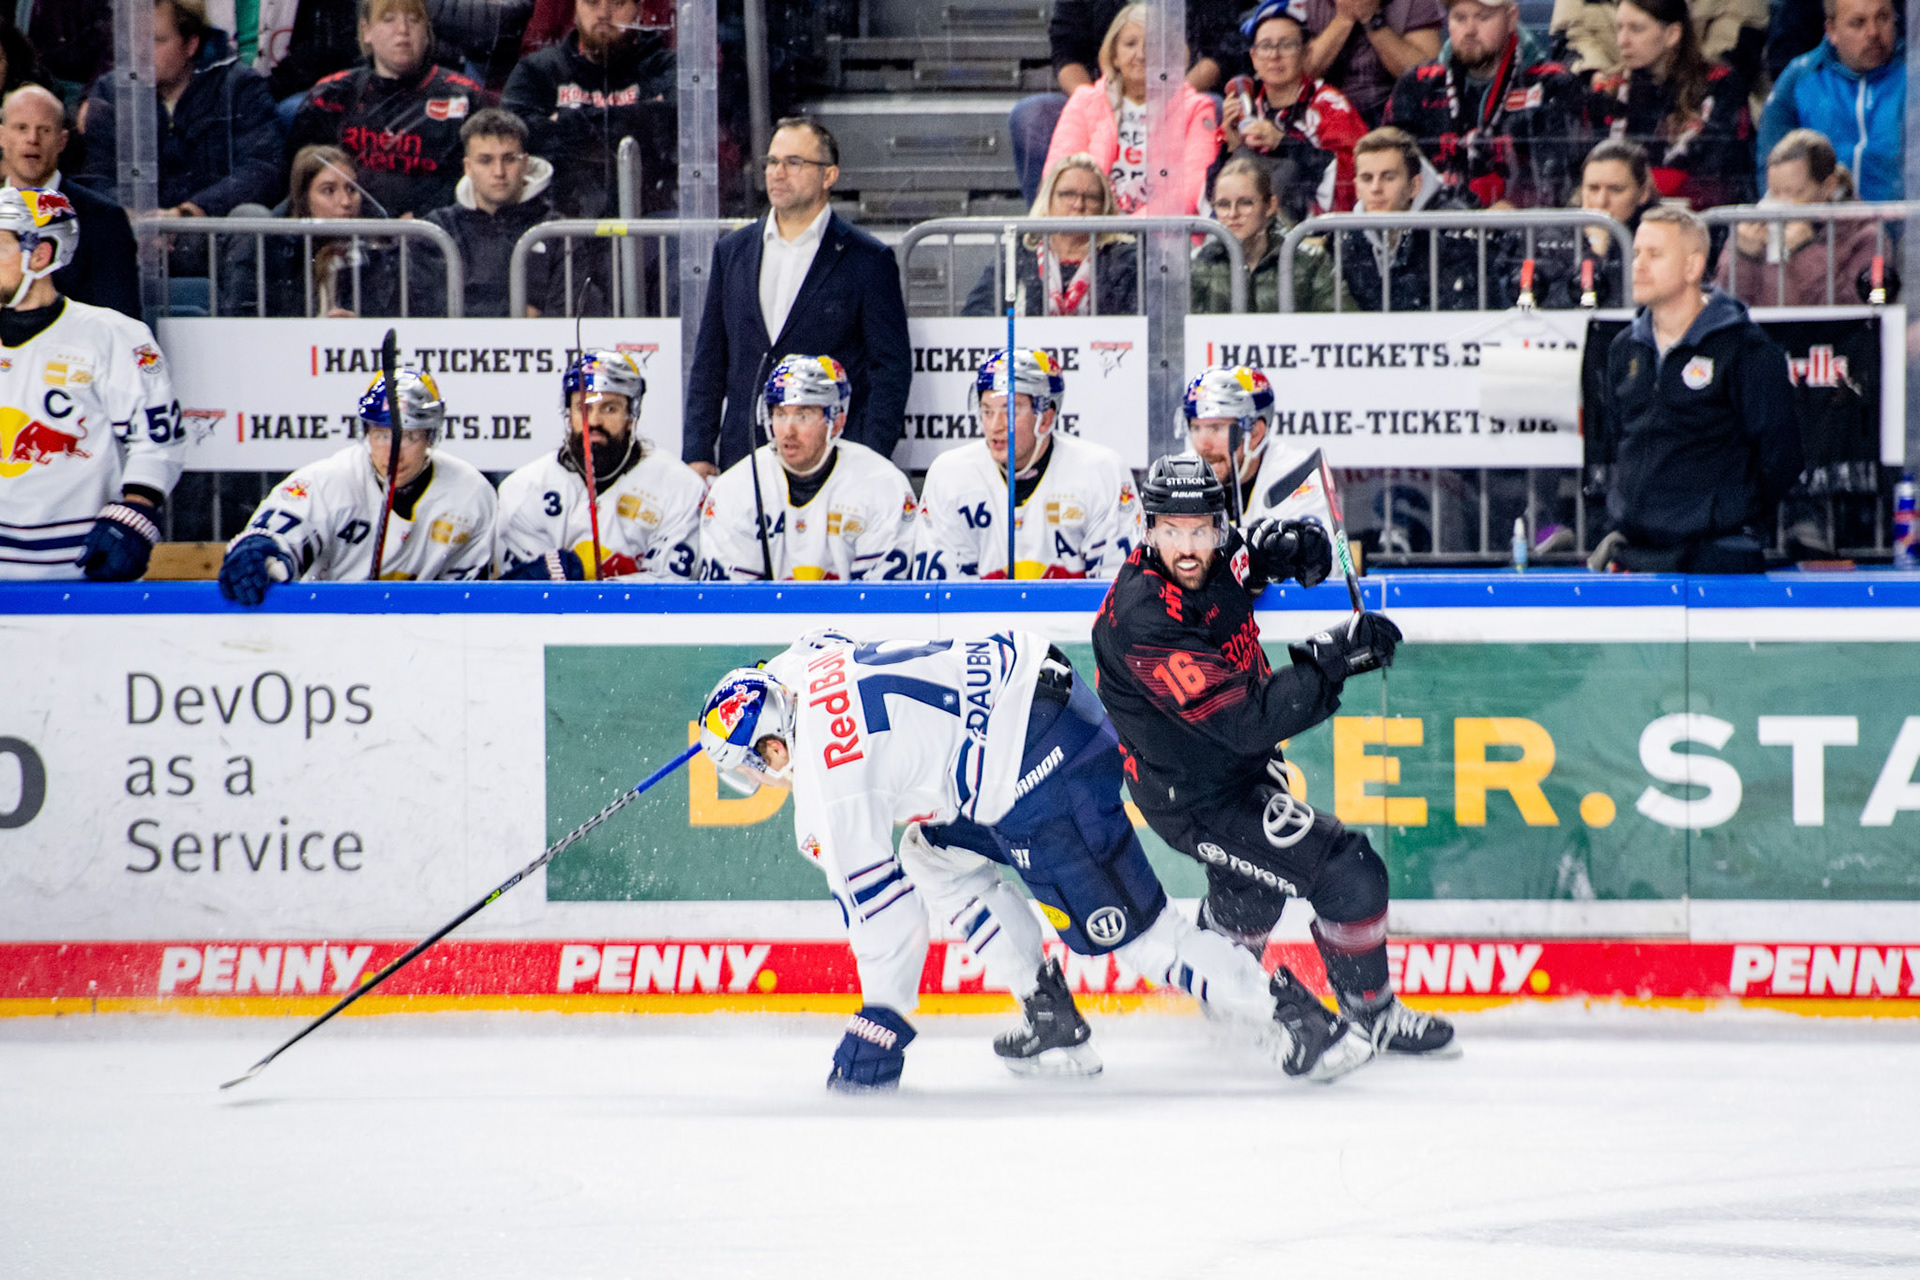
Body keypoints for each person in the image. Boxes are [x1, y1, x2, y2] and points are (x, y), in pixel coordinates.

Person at [696, 632, 1373, 1090]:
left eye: (756, 766)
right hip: (1045, 690)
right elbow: (779, 670)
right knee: (931, 853)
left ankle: (1302, 1021)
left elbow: (886, 920)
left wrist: (885, 1021)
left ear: (776, 751)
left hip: (1037, 769)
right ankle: (1050, 1016)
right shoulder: (803, 662)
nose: (765, 777)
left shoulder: (825, 791)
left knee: (1138, 938)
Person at [1091, 453, 1457, 1059]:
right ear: (1148, 530)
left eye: (1202, 530)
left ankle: (1224, 1008)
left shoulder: (1216, 556)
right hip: (1197, 798)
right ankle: (1376, 1015)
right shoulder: (1143, 618)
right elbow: (1246, 719)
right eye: (1172, 532)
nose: (1188, 547)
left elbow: (1247, 563)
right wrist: (1332, 657)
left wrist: (1293, 550)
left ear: (1218, 524)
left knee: (1251, 894)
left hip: (1231, 772)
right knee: (1349, 872)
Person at [682, 119, 912, 475]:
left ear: (828, 176)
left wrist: (869, 457)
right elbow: (710, 361)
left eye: (793, 162)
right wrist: (698, 450)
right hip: (745, 459)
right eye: (772, 162)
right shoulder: (732, 252)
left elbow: (890, 371)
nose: (777, 173)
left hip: (834, 463)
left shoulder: (868, 260)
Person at [1591, 207, 1801, 574]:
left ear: (1692, 267)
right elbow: (1618, 439)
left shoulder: (1746, 349)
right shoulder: (1624, 349)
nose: (1638, 265)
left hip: (1719, 554)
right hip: (1639, 552)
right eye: (1636, 253)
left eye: (1654, 255)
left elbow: (1781, 453)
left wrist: (1730, 512)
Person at [0, 188, 181, 581]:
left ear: (42, 255)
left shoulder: (114, 337)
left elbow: (157, 438)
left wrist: (136, 511)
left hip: (78, 568)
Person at [217, 367, 495, 601]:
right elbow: (275, 534)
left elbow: (467, 601)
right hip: (322, 629)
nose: (393, 451)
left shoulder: (471, 494)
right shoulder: (328, 481)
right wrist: (257, 548)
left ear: (430, 438)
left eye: (409, 437)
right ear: (367, 433)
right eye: (381, 435)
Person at [914, 349, 1142, 581]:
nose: (995, 426)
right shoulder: (950, 476)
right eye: (987, 411)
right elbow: (941, 597)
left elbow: (1118, 589)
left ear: (1045, 419)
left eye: (1010, 411)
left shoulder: (1101, 472)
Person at [698, 354, 917, 583]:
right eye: (780, 414)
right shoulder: (736, 488)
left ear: (837, 422)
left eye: (803, 416)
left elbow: (881, 605)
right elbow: (732, 605)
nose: (788, 431)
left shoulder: (881, 484)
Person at [494, 349, 705, 582]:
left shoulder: (680, 486)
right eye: (583, 408)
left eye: (610, 408)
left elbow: (671, 592)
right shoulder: (523, 489)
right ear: (568, 413)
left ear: (631, 416)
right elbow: (526, 598)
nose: (594, 421)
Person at [1011, 0, 1243, 205]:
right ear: (1113, 54)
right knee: (1031, 114)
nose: (1141, 54)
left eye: (1152, 45)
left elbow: (1222, 48)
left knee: (1213, 106)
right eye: (1130, 44)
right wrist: (1096, 103)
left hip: (1159, 233)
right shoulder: (1086, 100)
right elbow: (1067, 50)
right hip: (1099, 226)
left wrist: (1174, 95)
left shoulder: (1195, 108)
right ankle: (1043, 239)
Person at [76, 0, 284, 220]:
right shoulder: (111, 93)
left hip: (208, 232)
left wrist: (190, 211)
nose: (140, 51)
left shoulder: (239, 86)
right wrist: (135, 216)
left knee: (250, 216)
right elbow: (96, 177)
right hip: (133, 236)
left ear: (191, 44)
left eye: (156, 40)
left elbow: (262, 168)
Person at [286, 0, 488, 219]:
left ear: (427, 32)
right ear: (366, 32)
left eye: (413, 19)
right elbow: (302, 178)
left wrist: (423, 215)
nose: (402, 30)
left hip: (432, 232)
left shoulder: (464, 97)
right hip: (342, 227)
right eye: (388, 19)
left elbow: (476, 178)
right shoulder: (330, 96)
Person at [1385, 0, 1592, 209]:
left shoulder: (1554, 86)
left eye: (1483, 17)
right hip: (1431, 232)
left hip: (1524, 233)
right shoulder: (1416, 86)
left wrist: (1515, 210)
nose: (1470, 30)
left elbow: (1563, 178)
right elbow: (1387, 166)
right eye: (1459, 18)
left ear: (1511, 19)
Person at [501, 0, 677, 221]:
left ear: (639, 10)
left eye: (617, 3)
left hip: (649, 216)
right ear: (575, 10)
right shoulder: (537, 70)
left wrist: (564, 122)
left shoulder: (666, 67)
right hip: (559, 218)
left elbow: (670, 128)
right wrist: (635, 117)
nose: (603, 14)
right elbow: (513, 139)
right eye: (592, 2)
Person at [1587, 0, 1757, 209]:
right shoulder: (1610, 89)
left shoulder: (1721, 85)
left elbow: (1717, 173)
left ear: (1672, 34)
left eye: (1636, 29)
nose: (1622, 41)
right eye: (1619, 28)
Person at [416, 108, 571, 318]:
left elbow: (566, 311)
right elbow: (431, 308)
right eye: (485, 160)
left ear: (525, 163)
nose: (499, 172)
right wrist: (520, 313)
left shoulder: (558, 232)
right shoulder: (437, 229)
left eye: (509, 159)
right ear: (467, 167)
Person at [1218, 0, 1368, 217]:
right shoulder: (1245, 109)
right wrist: (1230, 146)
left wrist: (1283, 142)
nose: (1274, 55)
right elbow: (1211, 191)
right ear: (1253, 58)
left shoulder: (1330, 105)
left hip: (1314, 234)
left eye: (1286, 45)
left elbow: (1351, 175)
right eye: (1266, 46)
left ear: (1306, 53)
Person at [216, 145, 404, 317]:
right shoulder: (275, 250)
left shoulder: (377, 253)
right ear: (304, 198)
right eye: (329, 190)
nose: (346, 202)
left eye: (351, 189)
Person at [0, 86, 139, 319]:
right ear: (2, 136)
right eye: (21, 128)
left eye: (44, 130)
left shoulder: (103, 218)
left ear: (62, 141)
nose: (32, 139)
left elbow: (119, 318)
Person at [1715, 128, 1893, 307]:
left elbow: (1856, 307)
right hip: (1762, 334)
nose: (1781, 204)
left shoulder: (1866, 237)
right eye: (1774, 193)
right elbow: (1724, 308)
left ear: (1829, 186)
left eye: (1794, 193)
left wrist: (1806, 251)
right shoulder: (1756, 227)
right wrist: (1742, 257)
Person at [1757, 0, 1902, 202]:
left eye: (1883, 18)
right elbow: (1771, 170)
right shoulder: (1798, 79)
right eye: (1858, 23)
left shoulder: (1913, 75)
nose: (1873, 32)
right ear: (1831, 30)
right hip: (1821, 230)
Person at [962, 155, 1138, 318]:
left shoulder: (1124, 258)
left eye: (1091, 197)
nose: (1078, 204)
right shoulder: (1019, 251)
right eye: (1068, 194)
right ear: (1048, 200)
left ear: (1103, 207)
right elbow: (977, 313)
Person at [1338, 126, 1481, 311]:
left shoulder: (1454, 236)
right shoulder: (1340, 243)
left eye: (1388, 177)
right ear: (1356, 187)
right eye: (1366, 178)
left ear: (1414, 186)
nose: (1375, 188)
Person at [1191, 156, 1341, 313]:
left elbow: (1340, 328)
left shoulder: (1310, 262)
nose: (1233, 213)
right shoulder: (1198, 264)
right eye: (1223, 204)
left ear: (1270, 206)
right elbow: (1177, 332)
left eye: (1245, 202)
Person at [1530, 138, 1661, 309]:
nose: (1601, 202)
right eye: (1593, 188)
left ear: (1643, 193)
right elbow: (1553, 304)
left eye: (1616, 190)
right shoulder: (1553, 234)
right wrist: (1594, 253)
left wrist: (1606, 252)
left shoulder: (1661, 236)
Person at [1296, 0, 1444, 126]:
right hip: (1325, 121)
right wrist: (1343, 19)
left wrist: (1372, 19)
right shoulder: (1307, 3)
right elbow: (1295, 77)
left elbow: (1429, 77)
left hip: (1400, 118)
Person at [1551, 0, 1768, 85]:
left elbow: (1738, 49)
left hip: (1701, 94)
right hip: (1610, 98)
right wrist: (1599, 79)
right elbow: (1570, 39)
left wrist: (1682, 79)